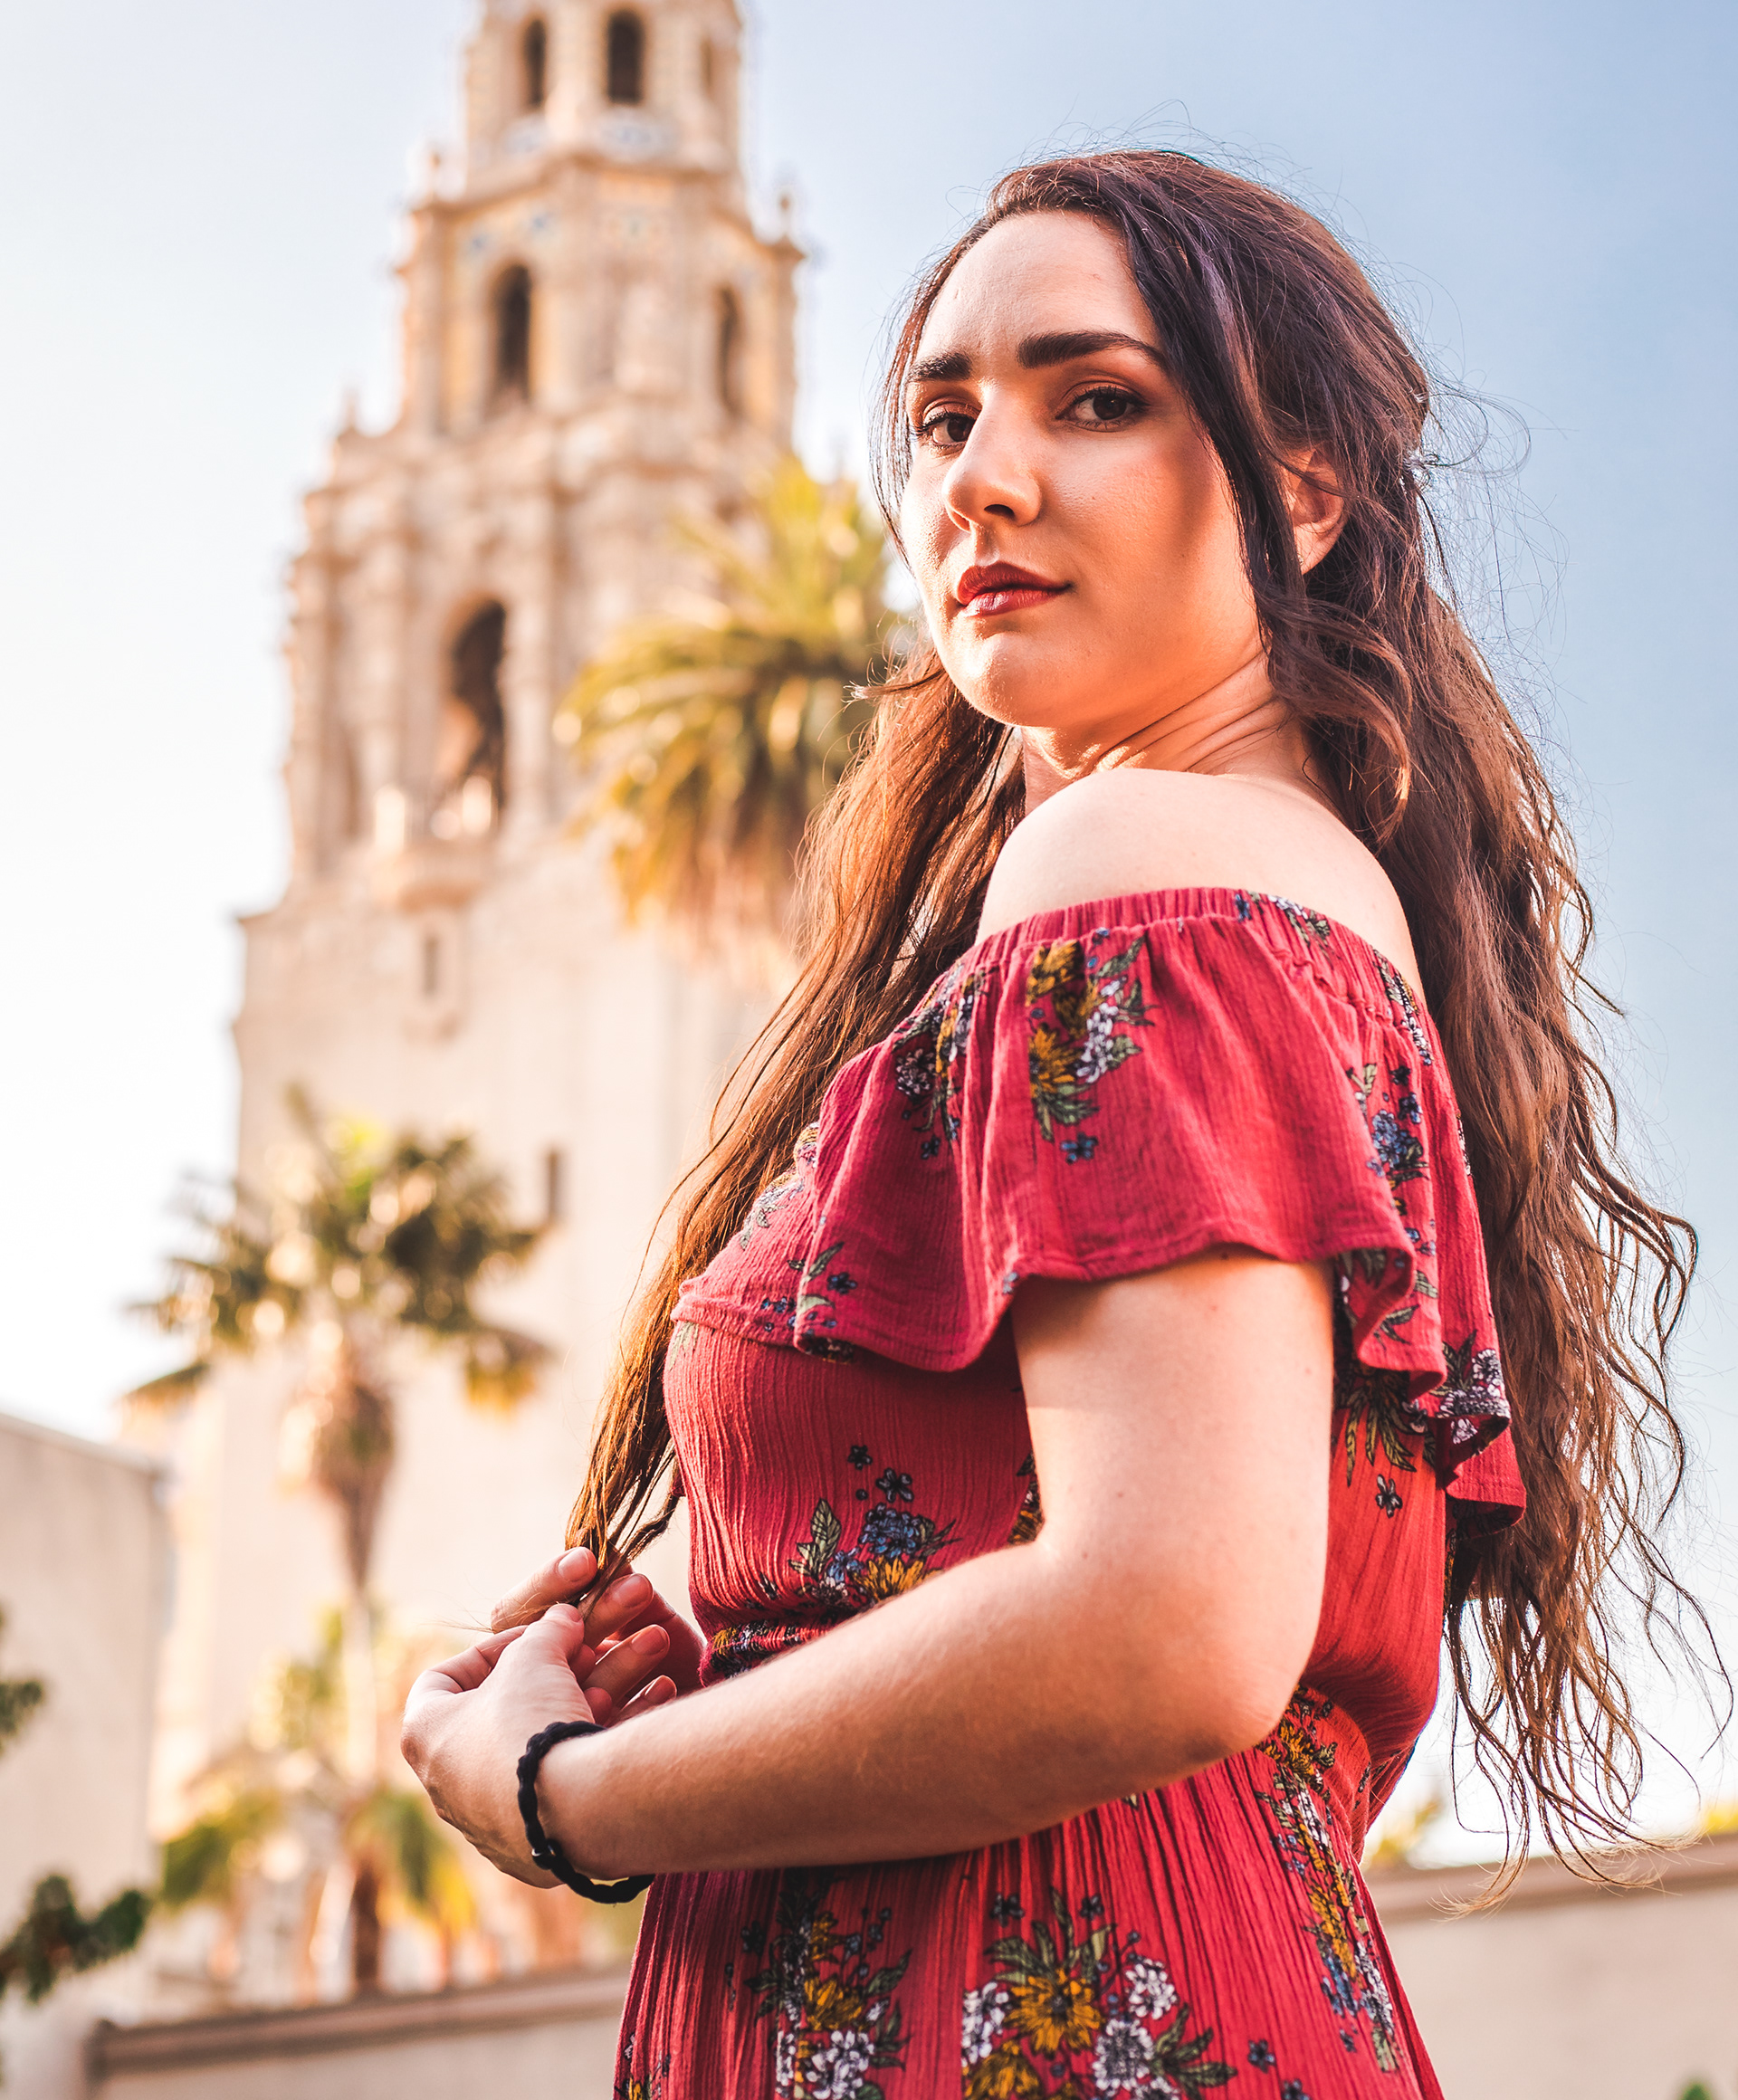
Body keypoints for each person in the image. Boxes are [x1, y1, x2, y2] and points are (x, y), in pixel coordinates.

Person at [403, 152, 1705, 2100]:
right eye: (945, 419)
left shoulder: (1141, 864)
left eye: (1095, 399)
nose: (983, 480)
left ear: (1307, 491)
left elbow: (1164, 1625)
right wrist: (752, 1629)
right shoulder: (1281, 900)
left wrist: (560, 1792)